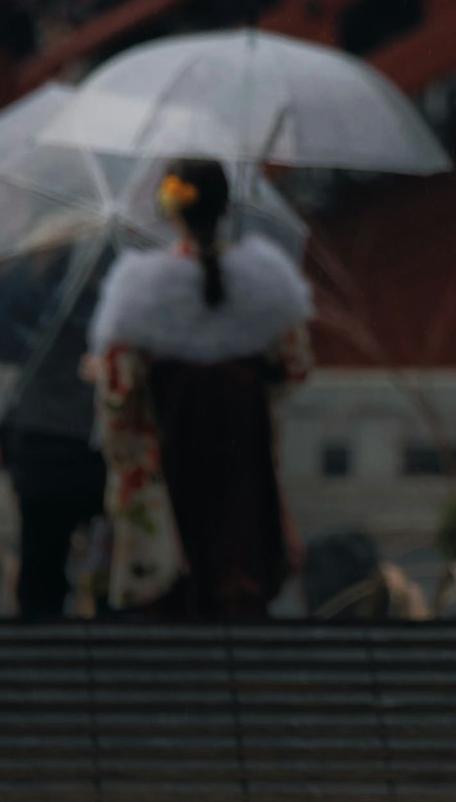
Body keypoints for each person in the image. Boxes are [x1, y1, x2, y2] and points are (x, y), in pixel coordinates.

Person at [91, 158, 314, 622]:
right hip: (241, 428)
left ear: (171, 208)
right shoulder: (265, 278)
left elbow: (120, 382)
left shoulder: (140, 285)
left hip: (174, 428)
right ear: (225, 206)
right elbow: (294, 367)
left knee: (179, 543)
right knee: (239, 531)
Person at [0, 209, 125, 620]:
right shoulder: (113, 295)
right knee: (111, 572)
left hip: (37, 444)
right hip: (97, 446)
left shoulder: (10, 295)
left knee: (40, 568)